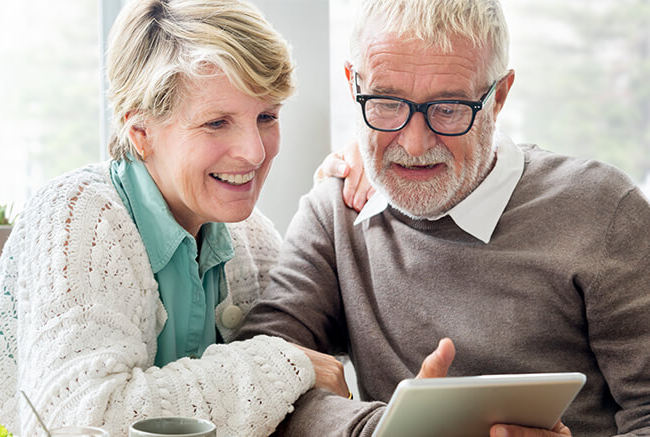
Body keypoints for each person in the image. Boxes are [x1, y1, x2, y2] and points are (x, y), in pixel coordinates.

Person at [0, 1, 372, 435]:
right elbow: (81, 421)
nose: (255, 151)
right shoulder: (78, 216)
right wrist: (280, 364)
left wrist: (372, 170)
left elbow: (314, 342)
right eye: (217, 122)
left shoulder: (247, 235)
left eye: (267, 116)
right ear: (140, 132)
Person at [237, 0, 650, 436]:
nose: (414, 145)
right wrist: (385, 429)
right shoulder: (334, 214)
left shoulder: (603, 210)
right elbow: (256, 379)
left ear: (499, 96)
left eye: (449, 109)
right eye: (387, 103)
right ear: (353, 85)